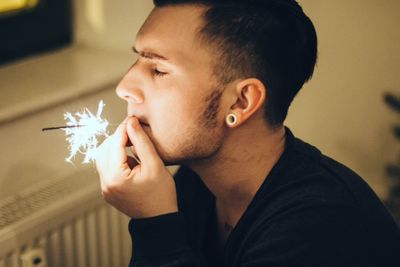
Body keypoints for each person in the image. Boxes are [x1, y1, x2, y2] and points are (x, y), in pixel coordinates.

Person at [95, 0, 400, 266]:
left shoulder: (321, 226)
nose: (124, 88)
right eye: (137, 59)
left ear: (241, 102)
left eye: (159, 70)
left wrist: (156, 224)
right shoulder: (194, 182)